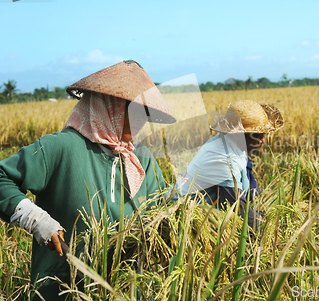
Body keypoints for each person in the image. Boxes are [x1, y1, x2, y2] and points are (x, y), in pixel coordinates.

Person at [0, 60, 176, 300]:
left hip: (125, 291)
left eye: (145, 113)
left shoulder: (142, 160)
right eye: (135, 110)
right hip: (63, 289)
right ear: (109, 106)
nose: (141, 120)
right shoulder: (61, 148)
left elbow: (163, 209)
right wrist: (36, 220)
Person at [172, 100, 284, 230]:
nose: (263, 140)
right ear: (238, 135)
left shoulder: (234, 144)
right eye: (257, 135)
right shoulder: (224, 159)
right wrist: (268, 230)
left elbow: (247, 182)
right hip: (185, 215)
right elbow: (237, 208)